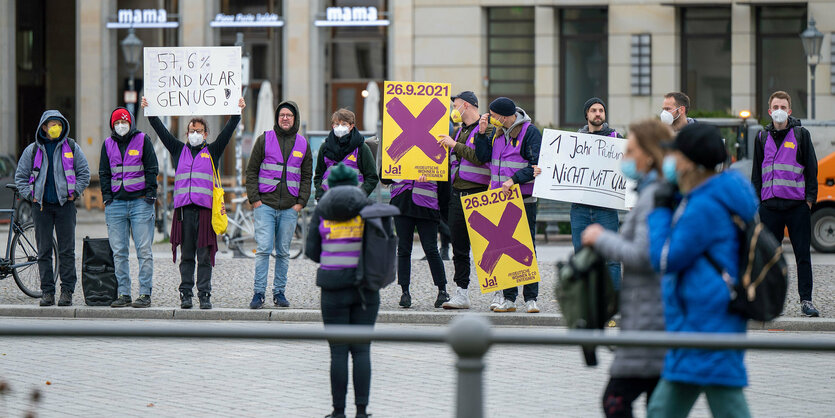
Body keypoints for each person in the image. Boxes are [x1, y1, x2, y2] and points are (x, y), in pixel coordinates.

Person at [646, 123, 756, 417]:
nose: (670, 161)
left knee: (728, 408)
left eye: (676, 155)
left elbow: (666, 259)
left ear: (691, 163)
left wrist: (659, 210)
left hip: (706, 325)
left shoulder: (704, 205)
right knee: (662, 409)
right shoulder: (712, 196)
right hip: (701, 321)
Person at [581, 119, 671, 417]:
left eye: (629, 151)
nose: (624, 158)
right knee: (654, 405)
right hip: (646, 317)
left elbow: (644, 255)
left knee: (616, 401)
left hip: (651, 320)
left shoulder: (655, 197)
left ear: (648, 155)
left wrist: (601, 238)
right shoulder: (652, 192)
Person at [142, 96, 245, 309]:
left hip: (206, 211)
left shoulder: (213, 151)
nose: (195, 134)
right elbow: (160, 130)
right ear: (186, 134)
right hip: (183, 212)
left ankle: (204, 294)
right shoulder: (178, 150)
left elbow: (228, 131)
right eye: (191, 131)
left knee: (204, 255)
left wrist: (237, 110)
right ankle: (185, 294)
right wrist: (149, 109)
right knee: (187, 254)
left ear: (206, 134)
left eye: (199, 131)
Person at [306, 163, 377, 418]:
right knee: (361, 350)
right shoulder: (368, 208)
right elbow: (380, 246)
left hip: (332, 288)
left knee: (337, 351)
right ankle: (361, 411)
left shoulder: (323, 209)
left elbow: (312, 251)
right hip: (365, 289)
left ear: (332, 185)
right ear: (355, 183)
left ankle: (338, 412)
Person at [751, 90, 819, 317]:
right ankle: (769, 301)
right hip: (770, 208)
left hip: (797, 207)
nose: (779, 111)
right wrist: (758, 202)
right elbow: (756, 174)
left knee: (802, 256)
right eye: (775, 107)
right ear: (769, 111)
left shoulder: (801, 134)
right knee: (769, 256)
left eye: (783, 107)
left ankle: (806, 301)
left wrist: (809, 201)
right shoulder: (761, 137)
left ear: (789, 111)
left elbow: (811, 169)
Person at [15, 110, 91, 307]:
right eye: (52, 124)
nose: (56, 127)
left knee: (67, 250)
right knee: (43, 251)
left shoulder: (72, 147)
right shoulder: (32, 150)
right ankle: (47, 292)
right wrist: (31, 195)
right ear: (44, 127)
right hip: (41, 208)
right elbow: (20, 177)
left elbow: (84, 173)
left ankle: (67, 291)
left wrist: (75, 192)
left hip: (65, 206)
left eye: (59, 123)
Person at [475, 97, 542, 313]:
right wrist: (482, 133)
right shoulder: (496, 133)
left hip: (523, 198)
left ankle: (531, 298)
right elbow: (484, 157)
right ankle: (509, 298)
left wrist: (514, 180)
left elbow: (536, 165)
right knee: (503, 248)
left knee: (526, 246)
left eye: (493, 115)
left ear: (503, 116)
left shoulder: (529, 132)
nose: (491, 118)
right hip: (499, 198)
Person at [245, 101, 313, 309]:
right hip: (264, 205)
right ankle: (258, 293)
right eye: (282, 115)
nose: (285, 118)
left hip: (290, 208)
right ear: (277, 118)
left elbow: (306, 176)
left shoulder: (303, 144)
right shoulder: (264, 139)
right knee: (264, 249)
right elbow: (251, 171)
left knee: (283, 252)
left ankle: (279, 293)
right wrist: (255, 200)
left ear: (295, 119)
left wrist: (300, 203)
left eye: (289, 115)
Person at [437, 91, 493, 309]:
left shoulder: (486, 129)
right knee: (459, 247)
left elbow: (480, 157)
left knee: (486, 247)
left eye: (456, 105)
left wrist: (454, 144)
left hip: (478, 194)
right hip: (457, 196)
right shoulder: (460, 131)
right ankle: (461, 292)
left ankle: (497, 291)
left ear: (467, 106)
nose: (454, 110)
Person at [99, 107, 159, 308]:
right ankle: (123, 293)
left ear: (131, 123)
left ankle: (144, 294)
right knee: (119, 252)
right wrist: (107, 197)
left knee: (144, 250)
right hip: (115, 204)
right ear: (112, 125)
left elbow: (152, 168)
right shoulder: (107, 144)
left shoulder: (142, 139)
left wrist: (150, 194)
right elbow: (104, 172)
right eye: (116, 123)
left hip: (140, 202)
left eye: (124, 122)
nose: (121, 126)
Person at [570, 97, 623, 290]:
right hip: (580, 208)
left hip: (606, 208)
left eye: (601, 110)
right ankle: (586, 304)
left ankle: (612, 305)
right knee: (581, 257)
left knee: (612, 259)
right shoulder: (575, 141)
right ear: (587, 114)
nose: (598, 113)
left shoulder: (616, 139)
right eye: (594, 110)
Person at [381, 173, 450, 309]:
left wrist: (443, 213)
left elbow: (444, 186)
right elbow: (384, 176)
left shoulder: (437, 152)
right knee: (403, 250)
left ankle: (442, 290)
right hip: (403, 205)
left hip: (427, 206)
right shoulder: (395, 152)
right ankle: (405, 292)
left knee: (431, 250)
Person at [313, 109, 379, 200]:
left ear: (351, 126)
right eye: (336, 124)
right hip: (328, 201)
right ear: (332, 126)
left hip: (353, 202)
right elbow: (318, 176)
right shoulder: (325, 148)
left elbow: (372, 177)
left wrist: (361, 195)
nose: (340, 127)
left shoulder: (361, 148)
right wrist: (320, 191)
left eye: (344, 124)